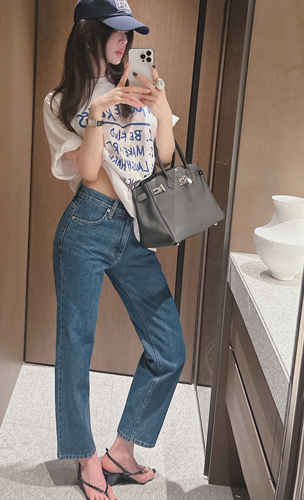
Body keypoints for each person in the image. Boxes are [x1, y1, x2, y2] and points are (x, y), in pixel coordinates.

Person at [43, 1, 187, 499]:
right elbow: (87, 170)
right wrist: (99, 115)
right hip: (87, 224)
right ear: (89, 33)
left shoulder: (141, 86)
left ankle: (122, 452)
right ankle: (86, 458)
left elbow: (163, 157)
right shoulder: (62, 101)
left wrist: (162, 110)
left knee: (170, 349)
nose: (126, 42)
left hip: (135, 229)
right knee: (76, 344)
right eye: (117, 32)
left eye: (130, 34)